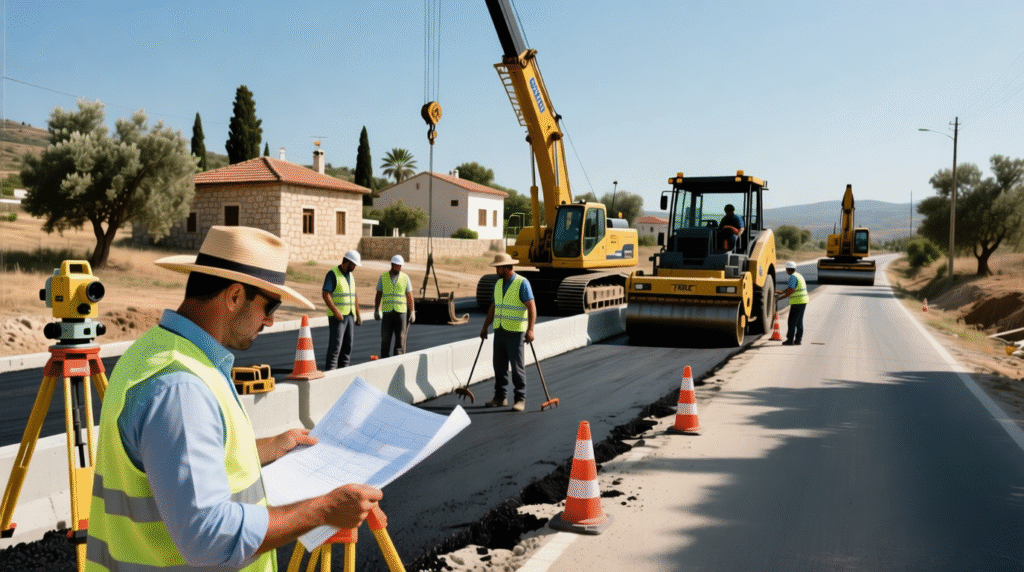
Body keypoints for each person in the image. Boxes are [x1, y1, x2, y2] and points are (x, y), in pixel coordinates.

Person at [86, 226, 382, 571]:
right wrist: (324, 510)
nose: (270, 321)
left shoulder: (155, 351)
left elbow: (179, 459)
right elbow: (209, 538)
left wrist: (270, 446)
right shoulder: (181, 388)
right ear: (234, 296)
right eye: (269, 306)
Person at [479, 253, 537, 412]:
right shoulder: (498, 284)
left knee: (517, 368)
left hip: (515, 333)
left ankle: (520, 399)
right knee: (499, 366)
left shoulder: (521, 283)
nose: (496, 270)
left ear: (506, 268)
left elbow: (531, 306)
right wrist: (485, 327)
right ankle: (500, 397)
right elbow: (493, 307)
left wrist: (530, 330)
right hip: (500, 331)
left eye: (498, 267)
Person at [322, 250, 363, 370]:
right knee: (335, 347)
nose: (355, 267)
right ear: (348, 262)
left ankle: (343, 372)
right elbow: (325, 294)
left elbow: (354, 295)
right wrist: (335, 311)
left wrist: (358, 314)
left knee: (347, 347)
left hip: (350, 315)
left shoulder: (350, 276)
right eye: (354, 264)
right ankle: (331, 373)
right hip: (338, 317)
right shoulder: (332, 274)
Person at [374, 254, 415, 357]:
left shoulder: (405, 278)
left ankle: (398, 361)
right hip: (387, 314)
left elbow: (410, 296)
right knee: (385, 341)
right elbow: (378, 294)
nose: (399, 268)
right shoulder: (383, 277)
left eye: (400, 266)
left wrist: (412, 311)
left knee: (400, 341)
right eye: (397, 265)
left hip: (401, 314)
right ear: (392, 265)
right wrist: (376, 309)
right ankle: (384, 362)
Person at [776, 260, 808, 345]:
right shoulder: (798, 275)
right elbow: (790, 288)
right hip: (803, 301)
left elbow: (791, 290)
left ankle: (790, 340)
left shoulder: (793, 277)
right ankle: (798, 340)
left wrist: (780, 298)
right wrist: (781, 292)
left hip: (797, 302)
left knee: (792, 322)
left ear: (787, 269)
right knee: (799, 321)